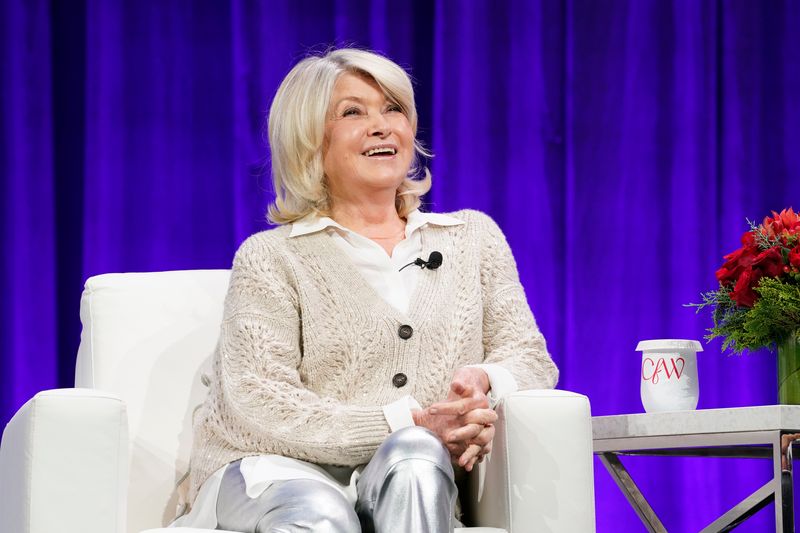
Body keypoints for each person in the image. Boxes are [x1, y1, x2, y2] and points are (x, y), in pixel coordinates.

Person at [174, 48, 558, 533]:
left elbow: (530, 357)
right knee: (323, 514)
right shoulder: (271, 257)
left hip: (401, 469)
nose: (382, 126)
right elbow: (261, 401)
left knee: (419, 454)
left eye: (393, 108)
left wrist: (479, 385)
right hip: (271, 471)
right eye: (353, 112)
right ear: (311, 140)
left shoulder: (472, 239)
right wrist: (406, 420)